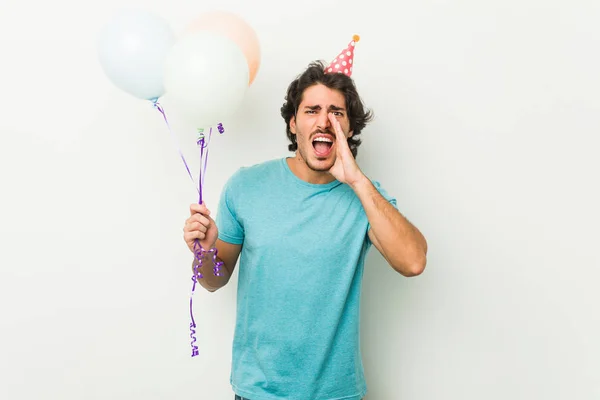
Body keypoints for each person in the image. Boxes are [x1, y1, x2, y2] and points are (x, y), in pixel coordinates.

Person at [182, 36, 428, 400]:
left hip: (337, 393)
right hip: (259, 392)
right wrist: (204, 253)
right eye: (312, 110)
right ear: (293, 122)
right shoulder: (246, 186)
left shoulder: (365, 196)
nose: (324, 121)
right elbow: (214, 281)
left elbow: (413, 261)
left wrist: (357, 180)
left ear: (349, 128)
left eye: (337, 112)